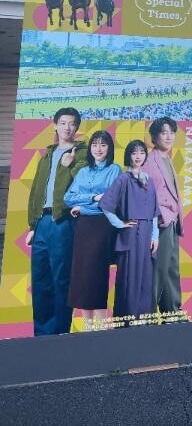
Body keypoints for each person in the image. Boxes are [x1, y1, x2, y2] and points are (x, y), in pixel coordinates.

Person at [26, 107, 87, 336]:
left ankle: (60, 335)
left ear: (77, 127)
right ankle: (42, 335)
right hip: (42, 222)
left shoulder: (82, 153)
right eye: (63, 123)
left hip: (62, 222)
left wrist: (70, 164)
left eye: (72, 123)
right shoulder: (47, 154)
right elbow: (35, 190)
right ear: (55, 125)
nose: (67, 128)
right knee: (40, 280)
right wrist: (33, 225)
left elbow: (86, 183)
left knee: (61, 279)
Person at [63, 130, 121, 330]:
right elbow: (68, 198)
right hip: (83, 227)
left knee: (96, 274)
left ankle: (102, 327)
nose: (98, 148)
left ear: (109, 148)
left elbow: (111, 200)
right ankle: (88, 327)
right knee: (82, 274)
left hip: (102, 225)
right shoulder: (83, 171)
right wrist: (93, 198)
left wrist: (83, 206)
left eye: (103, 144)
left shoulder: (114, 170)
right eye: (95, 144)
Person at [99, 140, 159, 321]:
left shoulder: (149, 180)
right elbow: (106, 205)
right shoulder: (123, 179)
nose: (138, 156)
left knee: (146, 279)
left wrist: (155, 236)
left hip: (147, 234)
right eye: (134, 152)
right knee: (129, 280)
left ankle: (144, 321)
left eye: (141, 152)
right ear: (128, 156)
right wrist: (120, 224)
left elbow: (154, 212)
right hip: (131, 235)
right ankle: (127, 322)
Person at [143, 117, 183, 313]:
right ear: (154, 136)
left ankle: (172, 312)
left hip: (171, 221)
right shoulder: (149, 161)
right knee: (158, 272)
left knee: (171, 270)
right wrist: (162, 214)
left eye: (171, 132)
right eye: (163, 132)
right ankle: (147, 315)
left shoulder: (166, 158)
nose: (168, 136)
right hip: (160, 223)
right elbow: (144, 195)